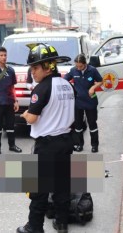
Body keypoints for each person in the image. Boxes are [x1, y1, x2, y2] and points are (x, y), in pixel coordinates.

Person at [19, 43, 74, 233]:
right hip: (66, 142)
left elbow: (33, 118)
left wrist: (25, 114)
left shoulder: (41, 88)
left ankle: (34, 227)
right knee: (62, 185)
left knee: (39, 190)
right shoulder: (67, 84)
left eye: (35, 67)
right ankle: (62, 222)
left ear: (48, 66)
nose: (32, 72)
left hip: (47, 145)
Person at [64, 54, 103, 153]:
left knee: (92, 124)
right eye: (77, 66)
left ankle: (94, 145)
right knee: (78, 125)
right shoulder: (73, 70)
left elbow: (100, 81)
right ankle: (79, 144)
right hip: (78, 102)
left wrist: (93, 87)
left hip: (90, 101)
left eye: (80, 66)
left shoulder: (92, 70)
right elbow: (64, 80)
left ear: (85, 63)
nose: (78, 68)